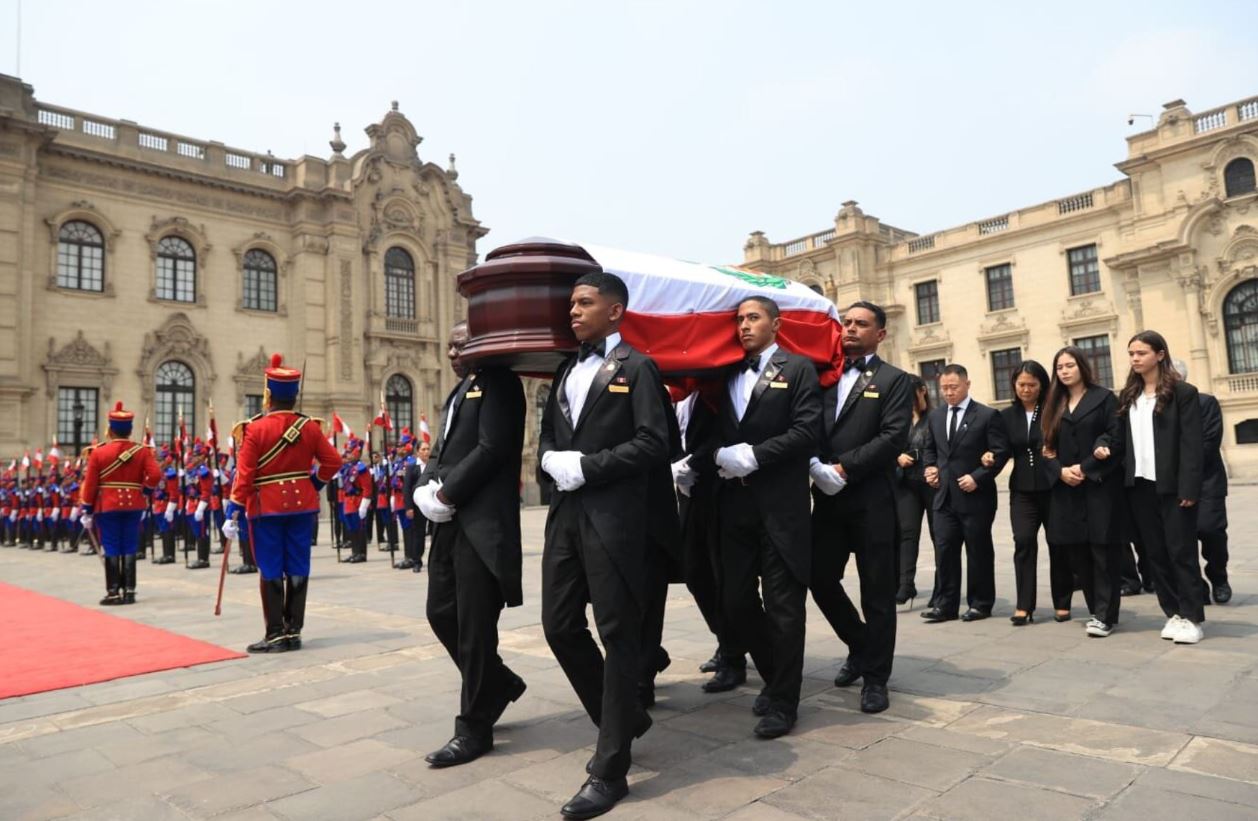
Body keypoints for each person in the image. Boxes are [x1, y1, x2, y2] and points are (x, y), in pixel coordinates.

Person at [538, 272, 668, 819]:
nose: (573, 311)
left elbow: (655, 443)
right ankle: (624, 715)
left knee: (618, 635)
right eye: (572, 303)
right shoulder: (568, 367)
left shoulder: (637, 368)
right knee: (559, 624)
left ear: (615, 311)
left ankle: (610, 767)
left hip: (615, 519)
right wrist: (549, 460)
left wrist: (588, 467)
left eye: (585, 303)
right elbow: (549, 432)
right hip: (566, 515)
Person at [691, 295, 822, 739]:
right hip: (734, 505)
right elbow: (705, 436)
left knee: (785, 608)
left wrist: (757, 456)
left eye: (753, 318)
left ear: (776, 323)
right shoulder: (724, 371)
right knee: (736, 602)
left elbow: (808, 431)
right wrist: (712, 458)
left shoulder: (798, 368)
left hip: (781, 506)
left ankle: (785, 701)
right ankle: (774, 674)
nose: (744, 325)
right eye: (740, 319)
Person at [414, 321, 529, 768]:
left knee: (476, 627)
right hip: (449, 523)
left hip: (482, 525)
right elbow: (440, 451)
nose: (451, 352)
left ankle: (474, 728)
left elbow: (492, 448)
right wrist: (425, 487)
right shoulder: (461, 390)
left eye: (459, 344)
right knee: (441, 612)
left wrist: (447, 492)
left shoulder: (501, 383)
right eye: (449, 345)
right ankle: (498, 683)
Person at [808, 301, 910, 714]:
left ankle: (875, 678)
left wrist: (844, 467)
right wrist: (815, 466)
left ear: (880, 334)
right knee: (818, 578)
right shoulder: (822, 378)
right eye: (846, 322)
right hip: (828, 500)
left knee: (877, 592)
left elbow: (892, 436)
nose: (850, 329)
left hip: (872, 501)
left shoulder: (895, 380)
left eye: (861, 324)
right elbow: (807, 425)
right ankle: (861, 644)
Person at [224, 354, 342, 653]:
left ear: (268, 393)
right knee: (299, 565)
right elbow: (333, 462)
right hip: (303, 507)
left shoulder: (254, 429)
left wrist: (233, 509)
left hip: (267, 508)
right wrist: (312, 484)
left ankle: (275, 633)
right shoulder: (310, 427)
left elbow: (246, 473)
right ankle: (294, 632)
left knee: (272, 567)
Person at [1104, 331, 1205, 644]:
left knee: (1181, 552)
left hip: (1174, 487)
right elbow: (1120, 441)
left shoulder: (1183, 393)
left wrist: (1189, 488)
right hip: (1139, 487)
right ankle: (1172, 613)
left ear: (1160, 355)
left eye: (1142, 352)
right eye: (1131, 353)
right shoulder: (1128, 397)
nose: (1135, 358)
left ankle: (1193, 618)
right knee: (1155, 554)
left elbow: (1191, 444)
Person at [1038, 347, 1124, 635]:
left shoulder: (1103, 398)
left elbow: (1115, 439)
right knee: (1078, 553)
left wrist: (1085, 468)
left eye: (1070, 365)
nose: (1064, 371)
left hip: (1098, 486)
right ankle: (1095, 609)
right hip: (1066, 488)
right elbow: (1044, 449)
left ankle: (1105, 614)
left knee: (1103, 551)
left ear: (1082, 367)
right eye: (1059, 366)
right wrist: (1060, 471)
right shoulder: (1054, 403)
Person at [921, 364, 1009, 622]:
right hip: (944, 497)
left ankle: (980, 603)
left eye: (953, 387)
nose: (948, 393)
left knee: (977, 550)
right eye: (944, 388)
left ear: (967, 385)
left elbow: (1000, 452)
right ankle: (945, 605)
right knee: (945, 550)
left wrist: (978, 477)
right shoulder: (936, 417)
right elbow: (930, 449)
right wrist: (929, 469)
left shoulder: (986, 415)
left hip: (975, 497)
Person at [674, 388, 747, 693]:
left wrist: (691, 464)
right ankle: (726, 639)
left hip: (717, 490)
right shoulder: (674, 396)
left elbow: (722, 435)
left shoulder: (711, 392)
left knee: (721, 576)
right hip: (687, 494)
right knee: (694, 573)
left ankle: (734, 657)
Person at [983, 361, 1063, 625]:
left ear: (1042, 386)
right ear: (1014, 386)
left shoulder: (1055, 412)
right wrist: (988, 457)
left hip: (1053, 487)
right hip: (1022, 491)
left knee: (1058, 544)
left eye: (1032, 385)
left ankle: (1062, 602)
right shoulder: (1005, 416)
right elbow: (1000, 449)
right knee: (1024, 541)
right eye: (1021, 385)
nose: (1026, 390)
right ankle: (1023, 605)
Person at [79, 402, 161, 605]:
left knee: (112, 546)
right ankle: (130, 591)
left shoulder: (99, 452)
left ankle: (114, 591)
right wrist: (145, 490)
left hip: (108, 504)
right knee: (130, 544)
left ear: (110, 429)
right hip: (134, 504)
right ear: (130, 430)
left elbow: (90, 485)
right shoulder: (141, 451)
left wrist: (87, 508)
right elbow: (155, 474)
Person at [1172, 360, 1231, 605]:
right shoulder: (1155, 407)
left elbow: (1208, 443)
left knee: (1211, 530)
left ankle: (1218, 577)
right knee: (1180, 542)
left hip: (1206, 482)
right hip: (1171, 484)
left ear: (1182, 378)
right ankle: (1198, 587)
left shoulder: (1205, 402)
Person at [895, 376, 934, 606]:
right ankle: (906, 584)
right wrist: (897, 457)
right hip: (906, 482)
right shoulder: (899, 420)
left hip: (931, 482)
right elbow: (887, 444)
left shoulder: (935, 418)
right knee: (907, 533)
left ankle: (942, 586)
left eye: (910, 397)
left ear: (922, 391)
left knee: (939, 535)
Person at [401, 438, 433, 572]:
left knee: (434, 533)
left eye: (427, 449)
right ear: (418, 452)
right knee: (418, 534)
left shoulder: (434, 465)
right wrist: (409, 507)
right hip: (417, 507)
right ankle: (417, 561)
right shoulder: (412, 467)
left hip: (432, 505)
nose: (426, 452)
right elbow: (407, 488)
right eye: (423, 449)